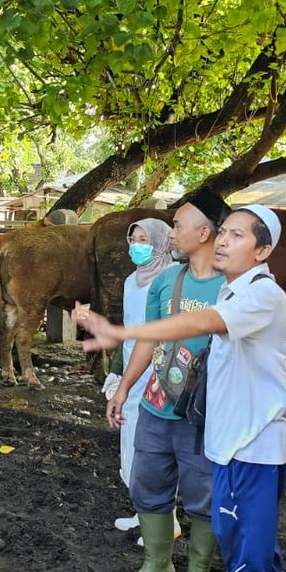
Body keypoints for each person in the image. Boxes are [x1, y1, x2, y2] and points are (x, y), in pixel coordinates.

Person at [77, 203, 286, 572]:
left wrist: (124, 331)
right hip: (236, 444)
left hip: (252, 447)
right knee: (254, 552)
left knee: (250, 555)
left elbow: (202, 325)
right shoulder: (239, 288)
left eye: (237, 236)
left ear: (263, 250)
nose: (223, 240)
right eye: (225, 231)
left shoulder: (260, 294)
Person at [110, 188, 230, 572]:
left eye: (178, 224)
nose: (172, 230)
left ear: (204, 231)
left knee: (204, 494)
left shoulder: (233, 288)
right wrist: (125, 388)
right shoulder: (166, 280)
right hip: (156, 406)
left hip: (203, 412)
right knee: (148, 483)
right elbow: (148, 341)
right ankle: (158, 564)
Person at [104, 217, 174, 536]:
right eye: (133, 240)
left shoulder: (171, 279)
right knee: (130, 441)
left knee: (155, 448)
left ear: (160, 242)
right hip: (133, 372)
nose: (137, 246)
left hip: (159, 372)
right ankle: (143, 512)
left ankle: (164, 522)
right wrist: (117, 372)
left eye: (144, 240)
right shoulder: (132, 281)